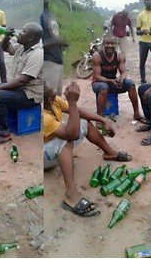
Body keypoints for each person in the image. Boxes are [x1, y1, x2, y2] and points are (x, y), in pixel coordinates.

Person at [43, 82, 132, 217]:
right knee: (65, 141)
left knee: (83, 122)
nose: (56, 94)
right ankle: (71, 197)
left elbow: (78, 111)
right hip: (44, 158)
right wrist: (72, 102)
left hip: (51, 147)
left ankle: (110, 153)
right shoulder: (44, 117)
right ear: (49, 99)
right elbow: (71, 134)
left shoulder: (53, 101)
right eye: (53, 93)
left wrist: (103, 120)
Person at [0, 22, 43, 145]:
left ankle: (3, 133)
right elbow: (4, 48)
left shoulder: (37, 54)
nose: (19, 33)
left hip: (30, 95)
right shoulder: (22, 46)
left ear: (30, 38)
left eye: (23, 32)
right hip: (19, 89)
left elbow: (22, 80)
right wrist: (7, 36)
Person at [91, 34, 144, 123]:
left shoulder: (119, 56)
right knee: (104, 87)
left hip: (112, 82)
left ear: (116, 45)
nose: (110, 46)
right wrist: (110, 80)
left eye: (112, 43)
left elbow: (123, 72)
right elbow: (97, 76)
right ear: (103, 44)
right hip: (98, 83)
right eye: (107, 43)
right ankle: (99, 118)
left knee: (131, 84)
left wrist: (121, 79)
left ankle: (136, 113)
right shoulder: (97, 56)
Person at [41, 0, 67, 96]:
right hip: (48, 60)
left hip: (58, 59)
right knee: (49, 95)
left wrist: (60, 45)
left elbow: (53, 35)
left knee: (58, 97)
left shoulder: (50, 15)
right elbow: (36, 44)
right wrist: (57, 42)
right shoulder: (40, 16)